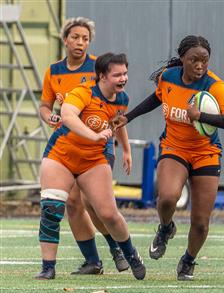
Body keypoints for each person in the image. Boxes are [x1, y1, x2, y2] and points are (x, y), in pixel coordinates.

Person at [112, 35, 224, 280]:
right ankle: (165, 227)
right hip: (174, 146)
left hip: (206, 153)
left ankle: (188, 261)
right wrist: (128, 117)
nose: (200, 65)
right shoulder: (168, 77)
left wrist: (201, 116)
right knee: (167, 198)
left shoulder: (214, 85)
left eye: (204, 60)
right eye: (194, 60)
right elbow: (157, 98)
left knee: (201, 222)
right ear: (182, 59)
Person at [35, 52, 145, 280]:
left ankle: (131, 254)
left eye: (125, 73)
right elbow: (67, 115)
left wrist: (126, 149)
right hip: (61, 155)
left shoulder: (122, 99)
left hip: (93, 160)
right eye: (118, 74)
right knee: (51, 210)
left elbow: (118, 121)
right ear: (102, 76)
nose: (123, 78)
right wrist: (93, 136)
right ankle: (48, 268)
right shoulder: (83, 92)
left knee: (108, 213)